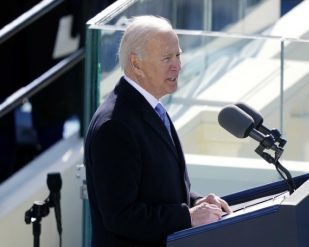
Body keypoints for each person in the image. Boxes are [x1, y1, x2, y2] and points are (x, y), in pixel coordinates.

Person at [84, 15, 232, 247]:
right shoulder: (115, 126)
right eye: (166, 58)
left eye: (178, 55)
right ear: (136, 64)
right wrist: (187, 216)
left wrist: (198, 204)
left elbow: (158, 193)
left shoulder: (151, 108)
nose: (178, 65)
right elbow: (120, 216)